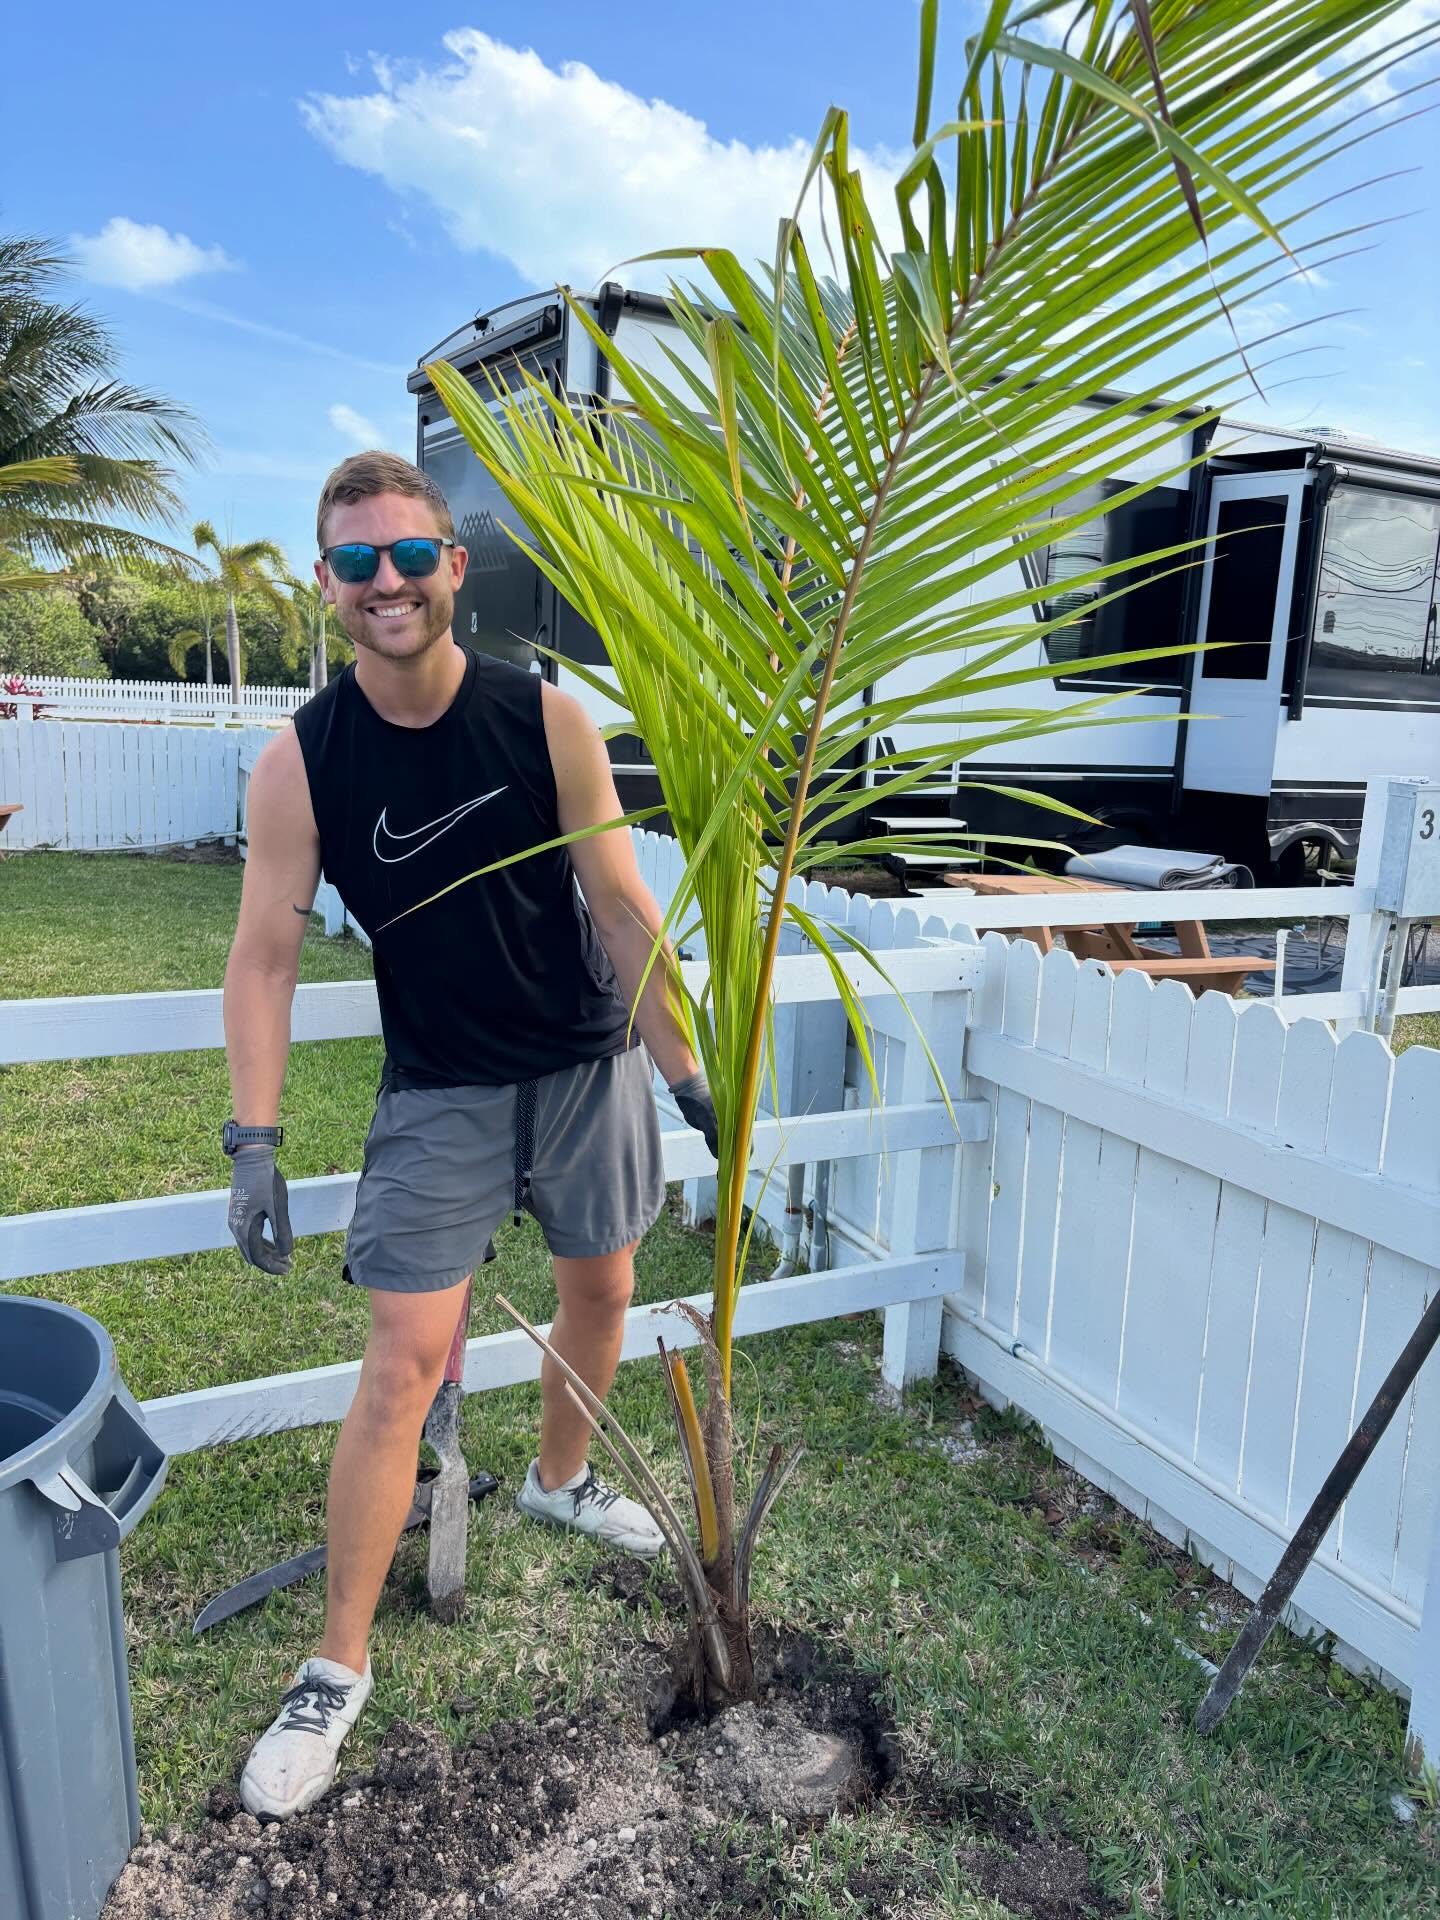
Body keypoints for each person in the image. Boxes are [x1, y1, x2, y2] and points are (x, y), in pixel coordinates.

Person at [222, 450, 717, 1821]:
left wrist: (684, 1071)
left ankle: (559, 1481)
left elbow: (622, 908)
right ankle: (335, 1668)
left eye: (412, 555)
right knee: (403, 1363)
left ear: (455, 566)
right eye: (359, 561)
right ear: (327, 582)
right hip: (437, 1086)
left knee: (603, 1287)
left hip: (582, 1066)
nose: (390, 583)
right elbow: (263, 956)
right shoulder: (302, 760)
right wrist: (250, 1137)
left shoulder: (545, 722)